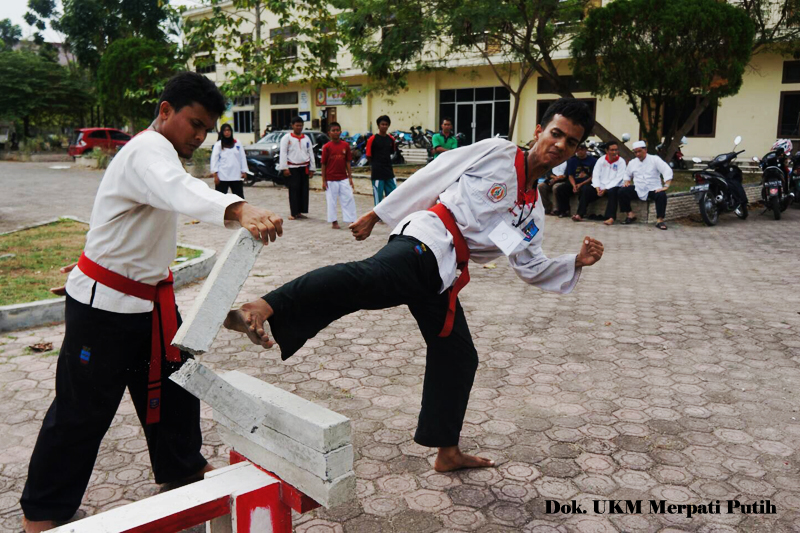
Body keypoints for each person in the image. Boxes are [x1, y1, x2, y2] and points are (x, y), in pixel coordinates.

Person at [222, 98, 604, 474]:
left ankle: (447, 452)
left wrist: (574, 262)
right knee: (363, 280)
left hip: (443, 274)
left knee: (458, 356)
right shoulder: (498, 153)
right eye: (556, 133)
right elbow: (436, 173)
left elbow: (526, 262)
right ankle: (261, 307)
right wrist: (379, 213)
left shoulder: (531, 210)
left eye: (571, 142)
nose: (560, 145)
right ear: (539, 131)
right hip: (426, 239)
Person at [19, 72, 284, 533]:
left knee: (176, 390)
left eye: (206, 129)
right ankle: (42, 514)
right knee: (81, 412)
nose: (200, 136)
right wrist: (239, 208)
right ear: (165, 111)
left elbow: (131, 218)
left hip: (150, 303)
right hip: (104, 311)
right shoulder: (147, 150)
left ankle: (181, 470)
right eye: (194, 124)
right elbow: (178, 191)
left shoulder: (158, 154)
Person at [619, 140, 673, 230]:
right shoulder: (632, 162)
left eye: (639, 151)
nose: (638, 154)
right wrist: (627, 181)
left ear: (645, 150)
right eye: (635, 152)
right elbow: (627, 174)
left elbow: (666, 170)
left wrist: (666, 186)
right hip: (638, 188)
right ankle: (630, 214)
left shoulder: (654, 159)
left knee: (661, 195)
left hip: (653, 188)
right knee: (622, 191)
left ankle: (660, 220)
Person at [573, 142, 626, 224]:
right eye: (612, 150)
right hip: (600, 186)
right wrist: (597, 187)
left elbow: (618, 178)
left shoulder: (621, 162)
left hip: (613, 186)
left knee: (613, 192)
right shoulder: (601, 160)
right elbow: (596, 175)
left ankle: (611, 217)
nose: (614, 152)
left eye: (616, 150)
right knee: (586, 189)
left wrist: (605, 188)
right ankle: (580, 214)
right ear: (606, 151)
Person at [278, 116, 316, 220]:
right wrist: (284, 168)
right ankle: (293, 212)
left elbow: (310, 153)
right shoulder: (287, 138)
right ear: (292, 125)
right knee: (294, 190)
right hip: (292, 167)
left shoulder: (306, 138)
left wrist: (312, 168)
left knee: (303, 190)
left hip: (304, 167)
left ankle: (300, 211)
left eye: (301, 125)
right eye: (297, 125)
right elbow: (283, 153)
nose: (299, 127)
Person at [321, 122, 356, 230]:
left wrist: (350, 177)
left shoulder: (345, 145)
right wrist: (324, 180)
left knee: (349, 198)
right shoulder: (326, 147)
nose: (336, 132)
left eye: (337, 130)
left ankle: (351, 220)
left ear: (340, 132)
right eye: (333, 130)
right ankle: (334, 221)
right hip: (331, 179)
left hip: (343, 178)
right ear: (329, 133)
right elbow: (323, 164)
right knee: (331, 201)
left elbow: (348, 162)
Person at [555, 143, 597, 218]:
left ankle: (580, 213)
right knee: (560, 189)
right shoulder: (572, 160)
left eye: (582, 149)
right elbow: (570, 175)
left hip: (586, 182)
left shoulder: (593, 161)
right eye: (578, 149)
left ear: (586, 150)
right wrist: (574, 185)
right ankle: (564, 210)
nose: (580, 151)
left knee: (585, 190)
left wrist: (581, 184)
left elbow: (593, 176)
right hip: (574, 182)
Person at [211, 123, 248, 199]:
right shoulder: (218, 145)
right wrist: (215, 175)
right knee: (219, 198)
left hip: (236, 175)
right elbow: (214, 160)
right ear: (222, 132)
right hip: (222, 176)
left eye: (228, 130)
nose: (227, 132)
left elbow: (242, 157)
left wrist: (244, 171)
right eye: (225, 131)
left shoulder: (237, 143)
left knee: (239, 198)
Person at [366, 115, 396, 205]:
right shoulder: (372, 139)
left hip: (389, 172)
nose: (384, 126)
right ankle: (378, 217)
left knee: (393, 195)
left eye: (386, 124)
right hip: (377, 173)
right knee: (378, 197)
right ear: (378, 126)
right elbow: (368, 156)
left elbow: (391, 152)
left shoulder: (391, 139)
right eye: (382, 124)